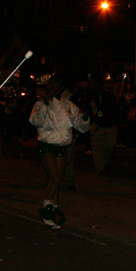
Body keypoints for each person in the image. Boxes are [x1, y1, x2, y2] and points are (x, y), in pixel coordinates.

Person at [29, 76, 90, 228]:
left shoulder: (69, 105)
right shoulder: (41, 103)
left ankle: (52, 211)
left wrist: (84, 118)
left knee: (56, 179)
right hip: (47, 144)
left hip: (62, 145)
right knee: (55, 177)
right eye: (52, 84)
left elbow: (81, 126)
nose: (54, 87)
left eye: (57, 84)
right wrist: (44, 106)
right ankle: (47, 209)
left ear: (61, 87)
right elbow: (35, 121)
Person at [86, 79, 119, 174]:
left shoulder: (109, 96)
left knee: (110, 145)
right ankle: (99, 168)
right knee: (97, 147)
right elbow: (87, 109)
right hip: (97, 124)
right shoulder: (91, 97)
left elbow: (115, 110)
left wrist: (115, 122)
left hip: (110, 124)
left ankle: (104, 163)